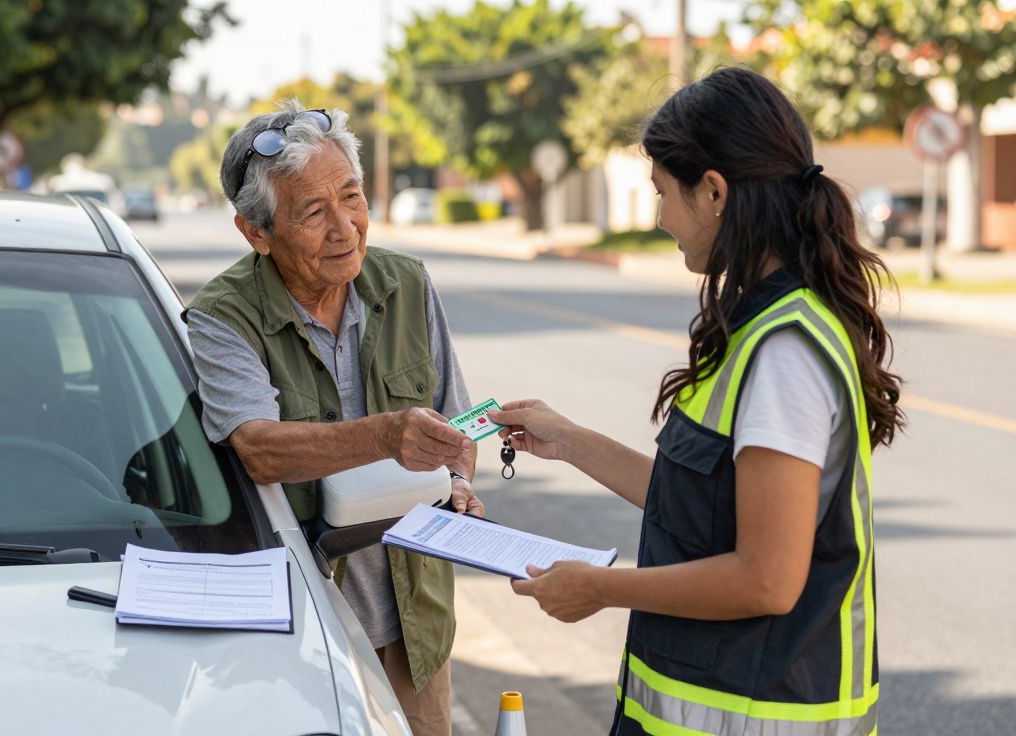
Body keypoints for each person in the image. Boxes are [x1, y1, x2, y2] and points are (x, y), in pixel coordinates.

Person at [490, 67, 903, 736]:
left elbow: (766, 578)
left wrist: (597, 588)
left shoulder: (784, 353)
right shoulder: (762, 325)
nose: (657, 217)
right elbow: (706, 507)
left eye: (661, 192)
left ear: (713, 191)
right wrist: (565, 439)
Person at [184, 101, 483, 736]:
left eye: (352, 197)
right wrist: (385, 435)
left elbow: (458, 430)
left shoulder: (407, 284)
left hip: (414, 628)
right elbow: (259, 450)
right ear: (256, 233)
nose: (346, 227)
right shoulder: (222, 316)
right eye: (314, 213)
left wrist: (456, 479)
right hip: (292, 624)